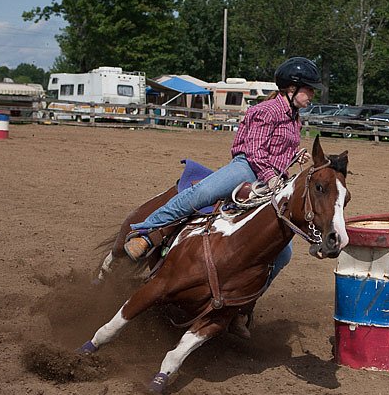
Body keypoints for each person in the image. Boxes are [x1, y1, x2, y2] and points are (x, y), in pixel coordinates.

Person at [124, 56, 323, 277]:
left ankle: (246, 298)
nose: (312, 95)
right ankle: (145, 232)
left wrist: (294, 154)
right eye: (309, 89)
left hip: (274, 177)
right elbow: (255, 151)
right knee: (203, 192)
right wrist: (271, 177)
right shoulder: (266, 110)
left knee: (283, 254)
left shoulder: (294, 117)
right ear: (292, 88)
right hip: (248, 168)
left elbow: (275, 148)